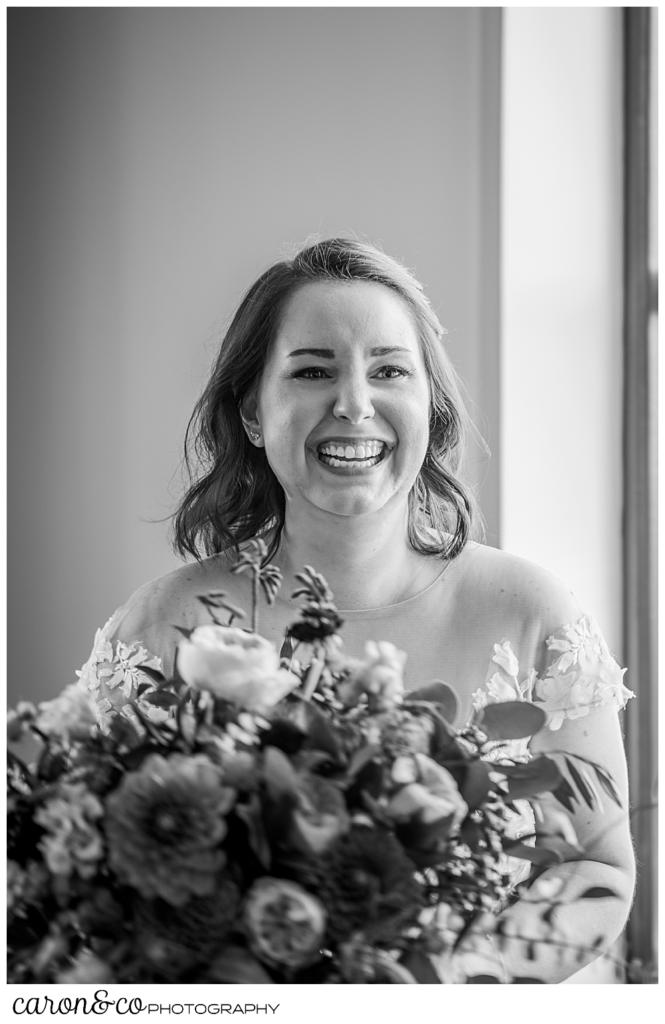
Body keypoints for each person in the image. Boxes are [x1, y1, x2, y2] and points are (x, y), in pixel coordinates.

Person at [81, 237, 635, 982]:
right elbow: (88, 874)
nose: (352, 403)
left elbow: (596, 865)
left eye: (388, 371)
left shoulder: (533, 616)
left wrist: (444, 985)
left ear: (429, 410)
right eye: (312, 371)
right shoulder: (162, 627)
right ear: (251, 412)